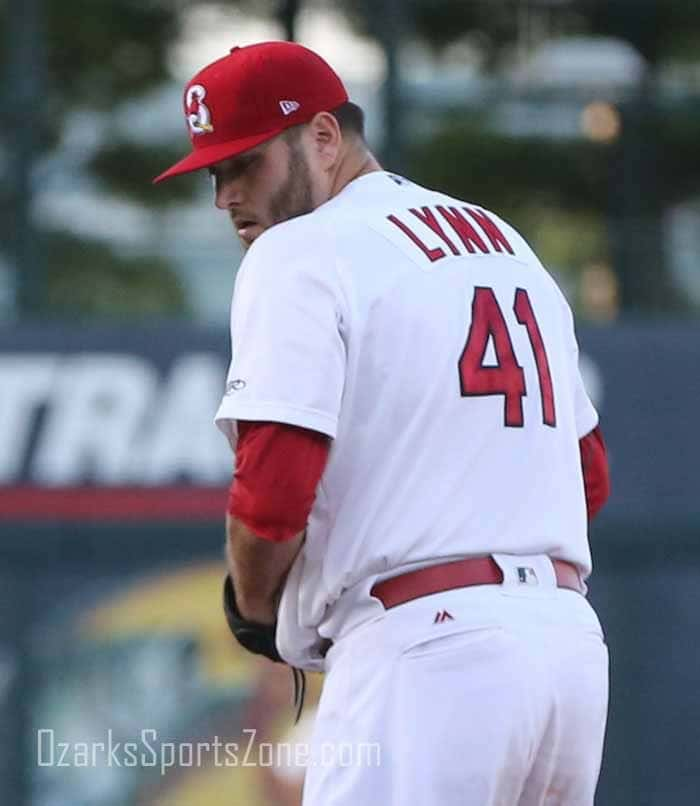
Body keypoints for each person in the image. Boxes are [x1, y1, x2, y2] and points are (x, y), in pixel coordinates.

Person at [155, 40, 610, 806]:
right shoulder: (504, 241)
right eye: (213, 171)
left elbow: (274, 486)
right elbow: (587, 473)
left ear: (324, 137)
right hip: (568, 653)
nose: (225, 195)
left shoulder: (297, 249)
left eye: (245, 163)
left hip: (428, 655)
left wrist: (252, 606)